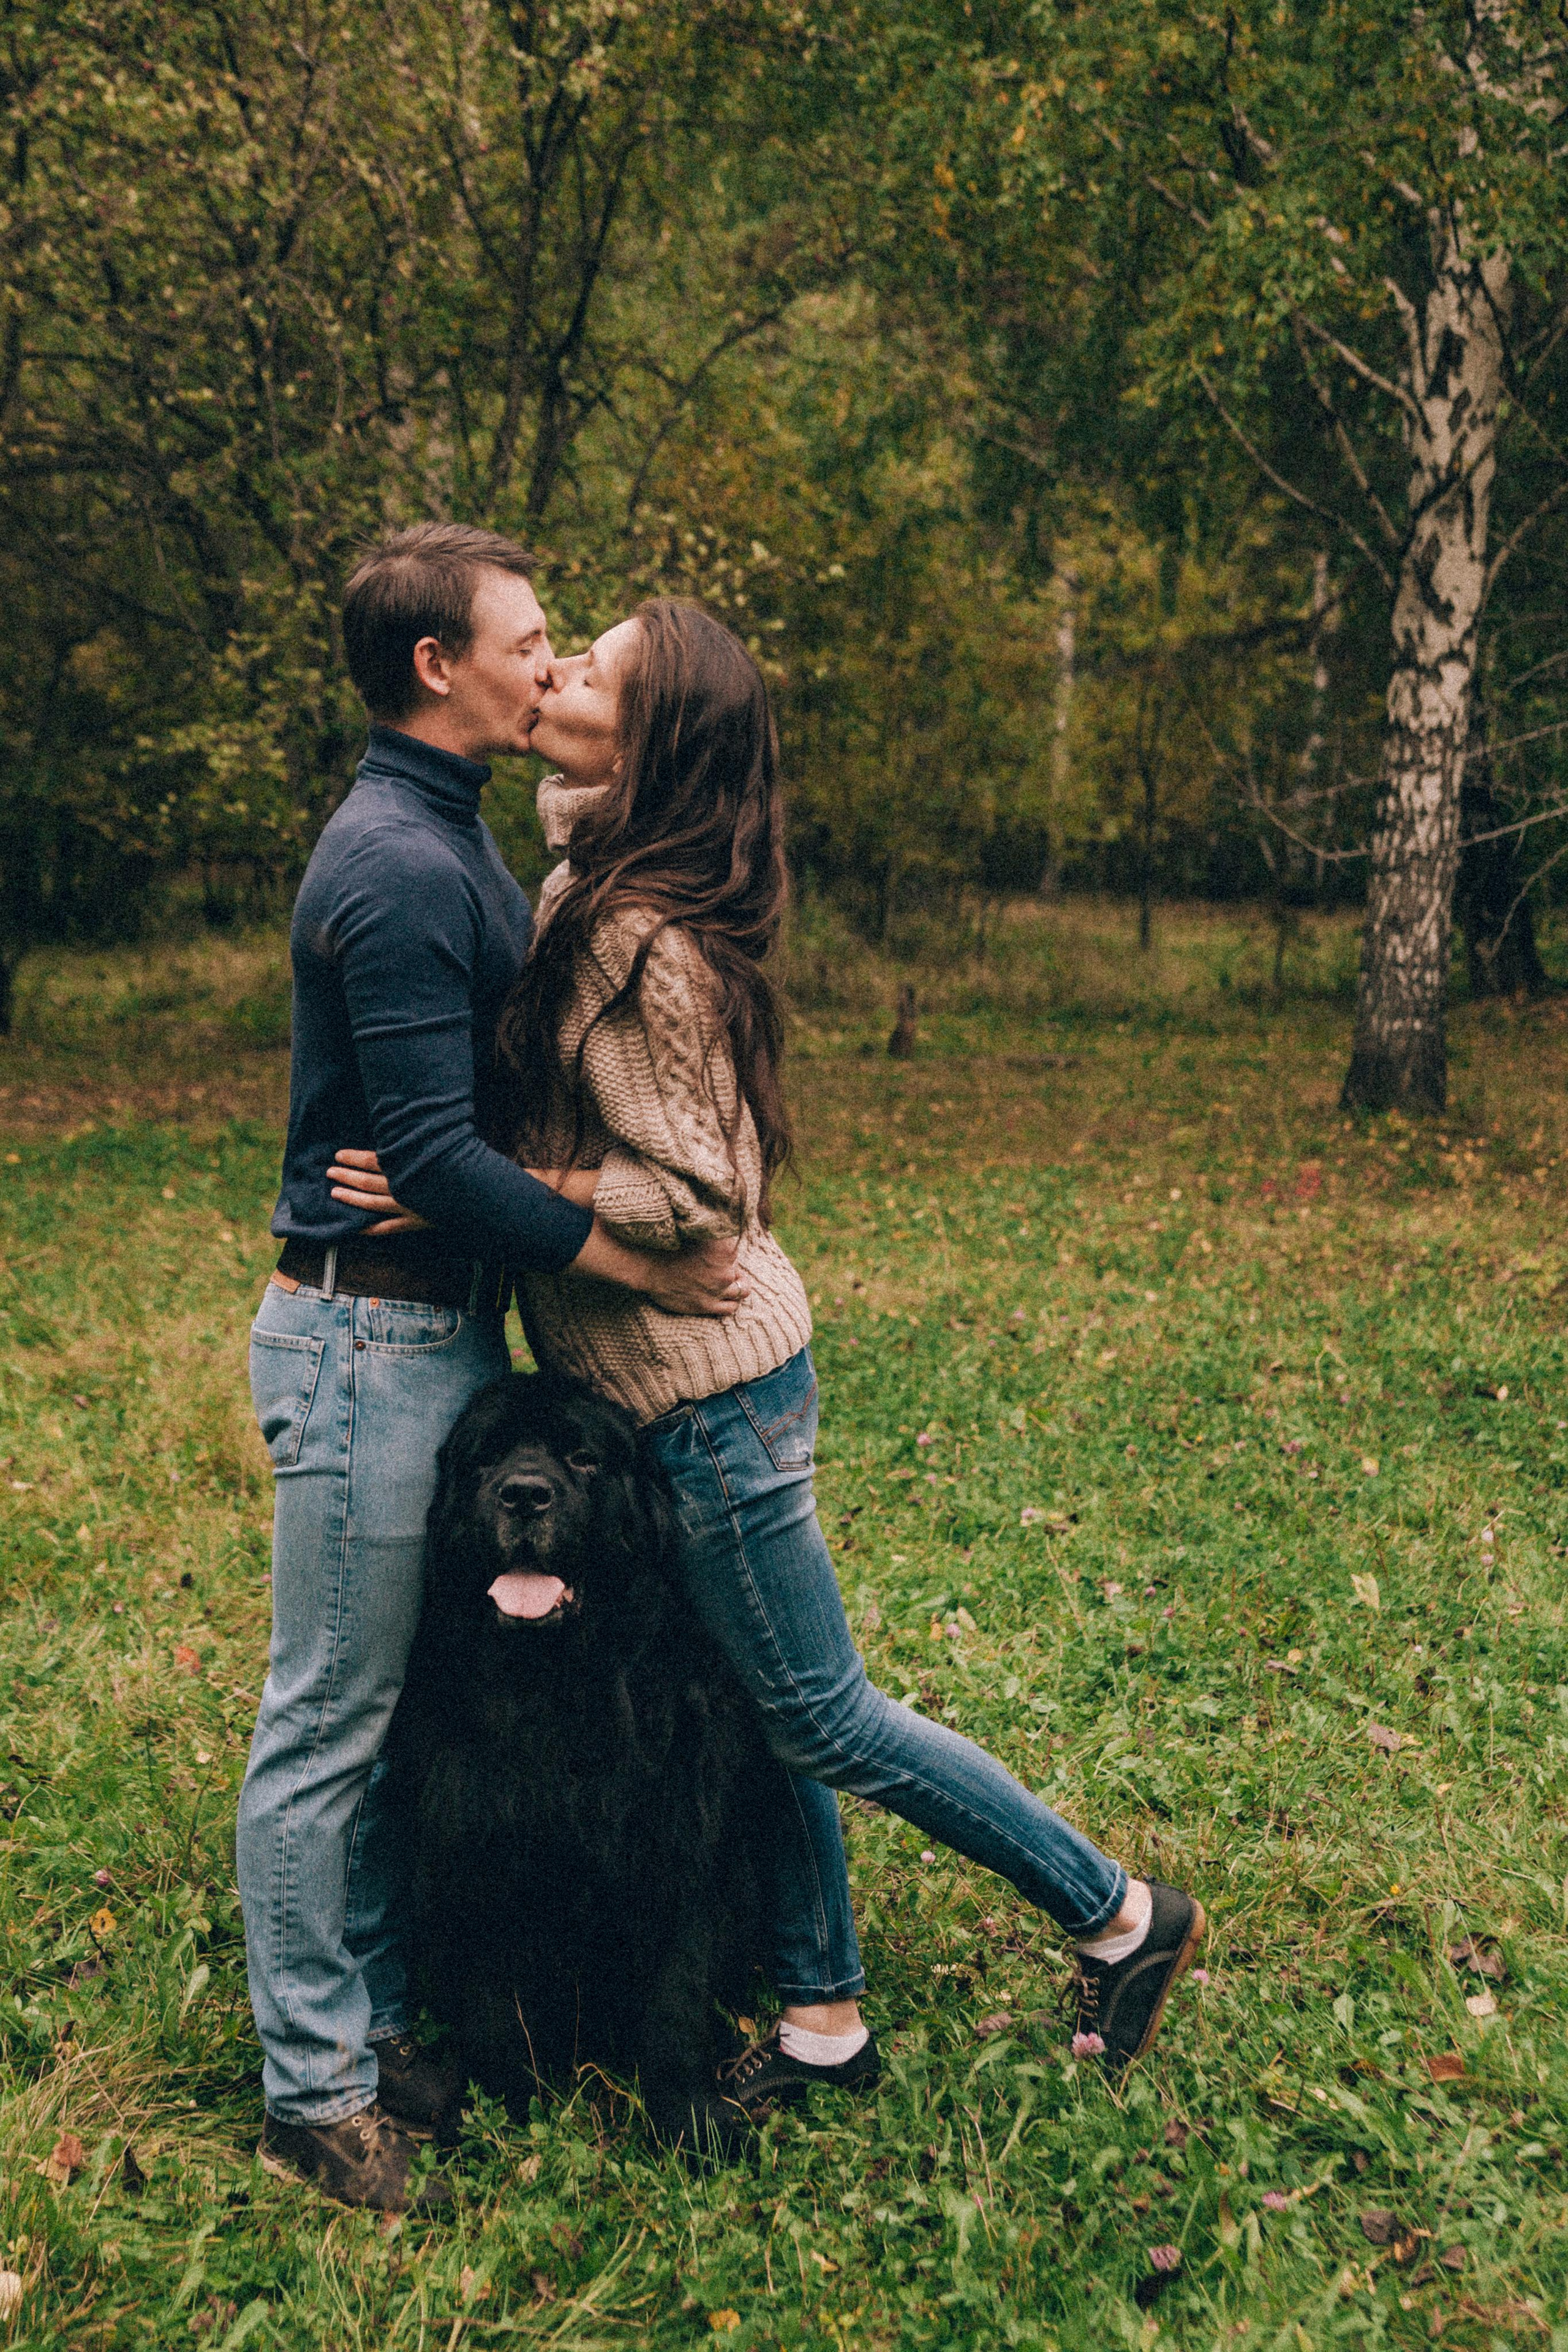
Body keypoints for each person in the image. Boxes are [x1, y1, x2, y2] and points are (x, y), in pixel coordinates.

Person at [328, 597, 1205, 2126]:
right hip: (667, 1379)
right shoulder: (597, 881)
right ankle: (822, 2022)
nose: (556, 671)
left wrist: (483, 1185)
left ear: (649, 736)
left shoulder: (637, 931)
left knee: (821, 1714)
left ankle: (1121, 1916)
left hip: (705, 1390)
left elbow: (699, 1198)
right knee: (762, 1694)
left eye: (590, 668)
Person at [240, 529, 748, 2216]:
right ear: (439, 671)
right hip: (365, 1325)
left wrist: (484, 1179)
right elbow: (438, 1160)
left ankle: (382, 2023)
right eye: (531, 643)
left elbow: (474, 1133)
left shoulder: (460, 836)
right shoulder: (391, 863)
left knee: (393, 1713)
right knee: (330, 1721)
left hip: (437, 1326)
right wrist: (634, 1253)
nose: (552, 667)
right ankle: (314, 2092)